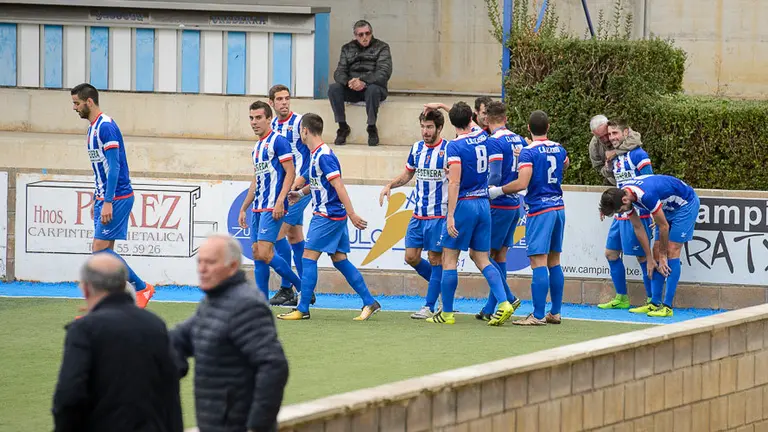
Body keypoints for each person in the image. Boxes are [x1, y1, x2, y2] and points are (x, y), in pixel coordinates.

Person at [170, 234, 288, 432]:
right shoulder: (214, 300)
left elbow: (274, 365)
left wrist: (259, 425)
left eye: (210, 263)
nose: (202, 269)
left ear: (233, 266)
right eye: (200, 262)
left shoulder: (246, 305)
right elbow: (181, 338)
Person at [52, 253, 183, 432]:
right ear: (124, 284)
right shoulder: (155, 324)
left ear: (86, 289)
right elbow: (171, 384)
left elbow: (69, 396)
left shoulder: (84, 329)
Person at [278, 113, 382, 321]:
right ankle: (370, 302)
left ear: (305, 131)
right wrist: (299, 194)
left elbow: (338, 185)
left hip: (327, 215)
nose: (300, 134)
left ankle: (303, 308)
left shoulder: (324, 155)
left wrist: (352, 213)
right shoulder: (317, 154)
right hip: (333, 215)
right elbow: (319, 183)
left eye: (301, 131)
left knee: (308, 258)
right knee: (340, 260)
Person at [69, 83, 155, 309]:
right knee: (106, 254)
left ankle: (141, 287)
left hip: (116, 197)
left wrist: (107, 201)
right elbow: (101, 167)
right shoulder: (92, 128)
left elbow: (115, 167)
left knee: (99, 251)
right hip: (104, 198)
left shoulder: (106, 127)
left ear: (89, 101)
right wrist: (98, 198)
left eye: (77, 103)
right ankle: (112, 302)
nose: (74, 108)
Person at [427, 102, 512, 326]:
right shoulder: (482, 136)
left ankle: (446, 313)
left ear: (452, 124)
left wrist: (451, 214)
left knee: (449, 258)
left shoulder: (454, 146)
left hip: (465, 204)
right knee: (482, 257)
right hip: (484, 203)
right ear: (471, 119)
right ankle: (504, 303)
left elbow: (454, 181)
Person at [489, 110, 569, 326]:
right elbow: (565, 164)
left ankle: (538, 315)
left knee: (538, 261)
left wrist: (497, 191)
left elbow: (522, 184)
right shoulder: (559, 148)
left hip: (540, 209)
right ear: (549, 127)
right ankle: (556, 312)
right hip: (559, 206)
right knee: (555, 260)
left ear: (528, 128)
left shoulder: (528, 152)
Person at [379, 110, 448, 319]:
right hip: (418, 215)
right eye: (423, 127)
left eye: (429, 127)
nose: (425, 131)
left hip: (439, 216)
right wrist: (391, 184)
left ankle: (429, 305)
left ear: (439, 128)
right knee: (411, 257)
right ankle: (443, 286)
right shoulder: (417, 148)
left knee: (436, 259)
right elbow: (409, 173)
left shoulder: (448, 150)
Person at [599, 174, 700, 317]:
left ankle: (667, 307)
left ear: (625, 199)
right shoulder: (624, 195)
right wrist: (649, 258)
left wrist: (663, 257)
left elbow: (664, 226)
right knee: (656, 251)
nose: (622, 212)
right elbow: (638, 227)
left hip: (686, 205)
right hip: (668, 208)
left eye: (621, 210)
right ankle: (654, 303)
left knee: (671, 250)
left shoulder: (646, 196)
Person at [238, 101, 303, 300]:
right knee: (258, 254)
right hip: (258, 207)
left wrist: (280, 201)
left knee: (266, 252)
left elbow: (290, 172)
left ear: (269, 119)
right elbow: (256, 181)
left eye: (258, 118)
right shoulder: (256, 148)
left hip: (272, 207)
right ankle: (262, 303)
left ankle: (302, 287)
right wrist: (243, 208)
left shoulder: (279, 141)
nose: (254, 122)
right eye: (251, 118)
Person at [596, 120, 655, 311]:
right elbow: (618, 185)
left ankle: (652, 301)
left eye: (616, 133)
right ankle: (621, 298)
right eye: (610, 134)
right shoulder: (616, 157)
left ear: (626, 132)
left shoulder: (639, 154)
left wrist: (652, 212)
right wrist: (607, 207)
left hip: (638, 213)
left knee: (643, 258)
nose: (612, 138)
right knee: (611, 253)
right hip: (621, 212)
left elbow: (650, 182)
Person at [267, 84, 315, 308]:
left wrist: (301, 181)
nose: (284, 102)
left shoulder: (299, 123)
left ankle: (288, 288)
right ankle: (307, 288)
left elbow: (310, 154)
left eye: (287, 98)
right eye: (279, 99)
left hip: (297, 189)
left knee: (276, 237)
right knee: (294, 238)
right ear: (272, 103)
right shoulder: (273, 125)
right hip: (284, 188)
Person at [476, 101, 525, 321]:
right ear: (506, 118)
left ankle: (509, 296)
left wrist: (486, 190)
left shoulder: (494, 142)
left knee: (480, 255)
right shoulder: (519, 139)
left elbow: (494, 175)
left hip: (498, 204)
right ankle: (489, 308)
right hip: (515, 203)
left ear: (487, 119)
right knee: (499, 255)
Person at [329, 19, 392, 146]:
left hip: (373, 88)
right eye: (361, 34)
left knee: (373, 89)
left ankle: (372, 127)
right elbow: (339, 72)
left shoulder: (382, 47)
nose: (365, 37)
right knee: (334, 88)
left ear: (371, 33)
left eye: (367, 33)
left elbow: (383, 72)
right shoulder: (347, 48)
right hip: (352, 88)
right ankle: (342, 127)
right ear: (355, 36)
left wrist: (363, 81)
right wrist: (349, 82)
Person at [588, 114, 642, 185]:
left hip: (636, 178)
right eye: (600, 137)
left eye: (606, 134)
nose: (606, 139)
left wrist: (615, 153)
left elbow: (636, 140)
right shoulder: (594, 146)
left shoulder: (620, 129)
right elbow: (598, 167)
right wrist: (608, 169)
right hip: (614, 181)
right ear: (594, 134)